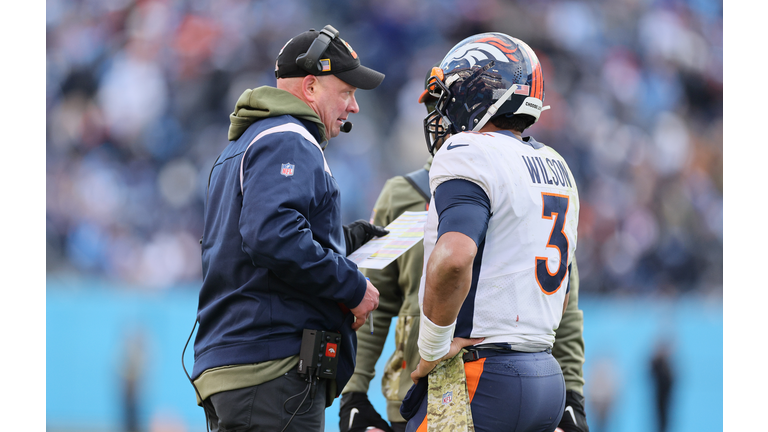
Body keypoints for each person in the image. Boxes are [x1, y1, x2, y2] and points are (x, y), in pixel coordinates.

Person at [340, 64, 590, 432]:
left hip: (469, 378)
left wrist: (575, 399)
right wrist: (354, 394)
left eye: (442, 103)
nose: (436, 116)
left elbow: (564, 308)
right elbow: (374, 300)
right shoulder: (405, 192)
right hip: (443, 386)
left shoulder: (484, 166)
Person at [189, 25, 388, 432]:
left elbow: (254, 241)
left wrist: (343, 240)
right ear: (311, 87)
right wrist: (350, 286)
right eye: (347, 92)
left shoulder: (246, 143)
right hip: (270, 369)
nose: (354, 107)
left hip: (243, 366)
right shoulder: (289, 138)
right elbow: (272, 235)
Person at [401, 32, 581, 432]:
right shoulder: (556, 164)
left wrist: (432, 347)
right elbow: (565, 289)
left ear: (478, 93)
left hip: (484, 376)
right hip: (546, 376)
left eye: (447, 100)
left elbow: (454, 257)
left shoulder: (469, 151)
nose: (442, 114)